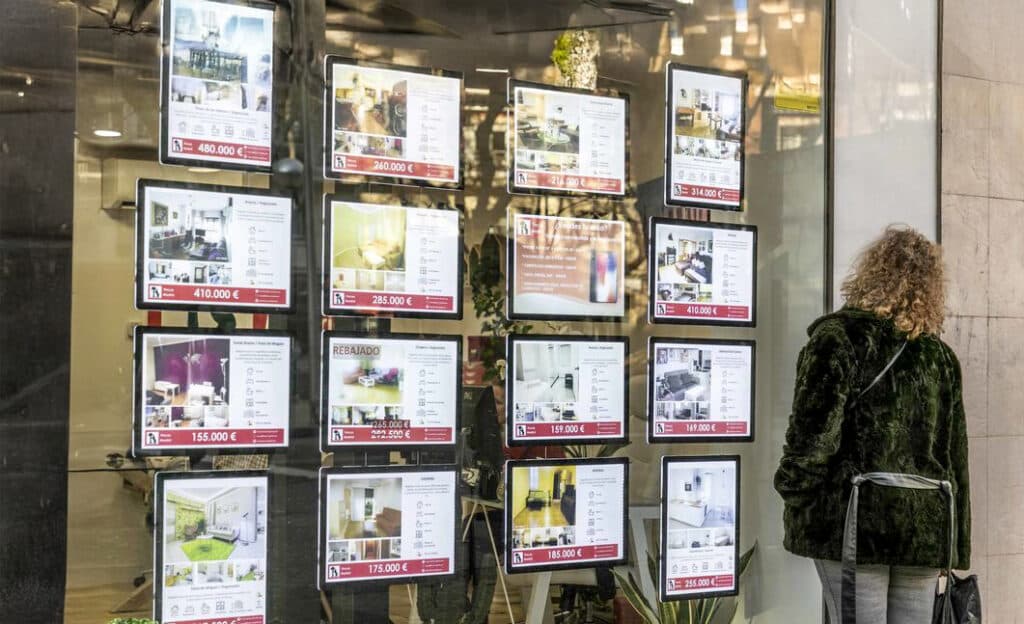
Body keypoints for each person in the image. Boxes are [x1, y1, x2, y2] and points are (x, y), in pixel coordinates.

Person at [774, 226, 970, 623]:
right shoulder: (940, 357)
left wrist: (793, 491)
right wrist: (954, 544)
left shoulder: (838, 339)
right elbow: (955, 458)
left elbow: (813, 439)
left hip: (855, 522)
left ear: (870, 274)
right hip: (924, 527)